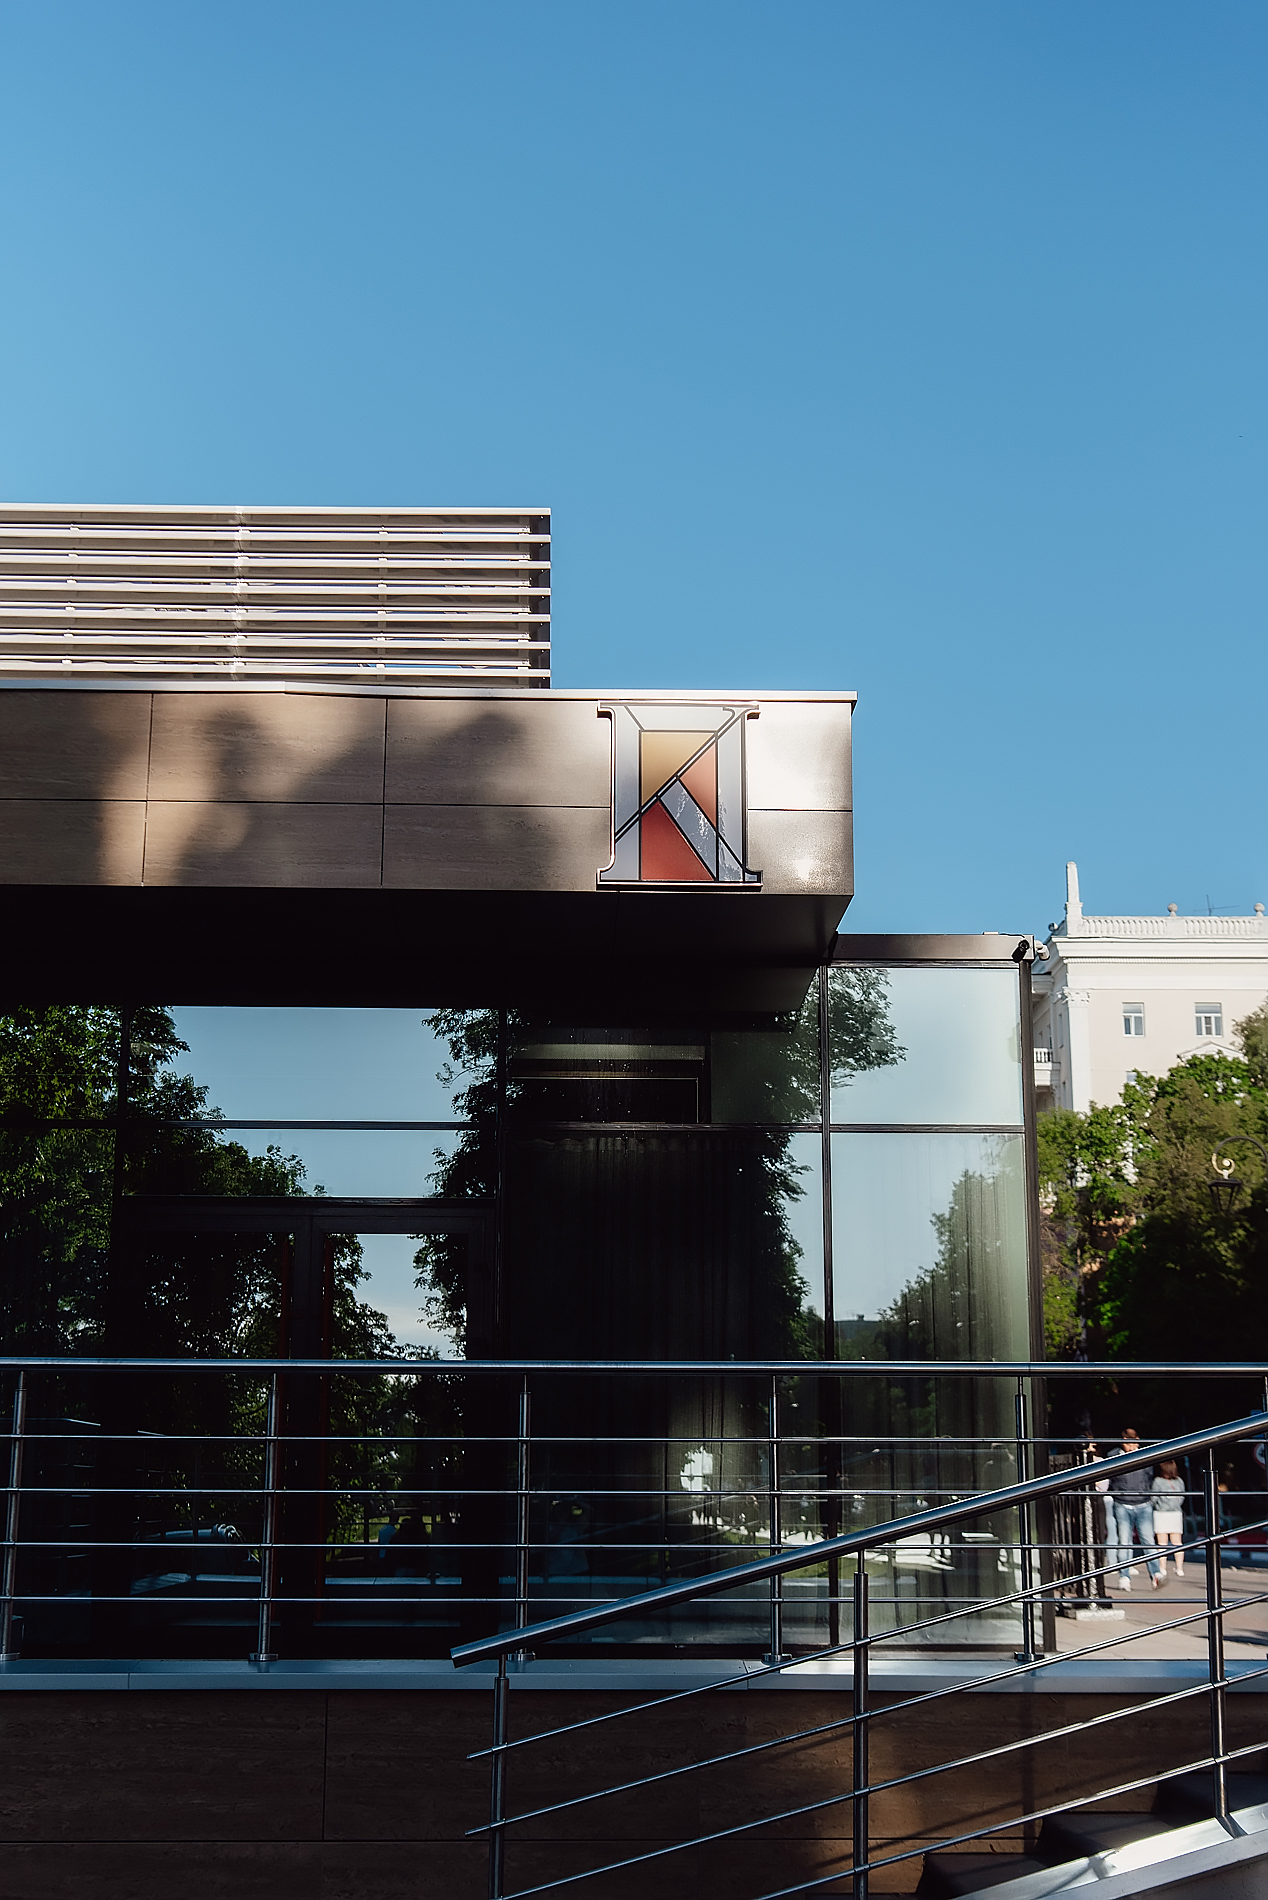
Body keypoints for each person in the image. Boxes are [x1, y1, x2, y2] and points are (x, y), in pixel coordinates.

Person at [1108, 1427, 1162, 1590]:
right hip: (1123, 1502)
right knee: (1124, 1541)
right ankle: (1124, 1576)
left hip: (1143, 1502)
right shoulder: (1114, 1456)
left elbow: (1149, 1476)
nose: (1131, 1446)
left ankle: (1156, 1574)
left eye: (1133, 1442)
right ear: (1123, 1442)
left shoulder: (1145, 1454)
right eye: (1128, 1443)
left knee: (1148, 1541)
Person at [1151, 1459, 1187, 1579]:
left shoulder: (1158, 1481)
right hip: (1175, 1513)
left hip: (1161, 1513)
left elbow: (1153, 1498)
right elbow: (1182, 1496)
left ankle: (1162, 1568)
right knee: (1177, 1542)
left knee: (1162, 1543)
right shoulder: (1179, 1481)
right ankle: (1179, 1568)